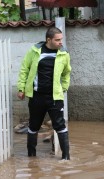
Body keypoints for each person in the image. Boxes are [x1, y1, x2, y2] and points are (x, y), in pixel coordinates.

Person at [17, 27, 72, 160]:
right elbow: (24, 69)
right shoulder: (35, 51)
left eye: (61, 39)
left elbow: (66, 73)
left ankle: (66, 157)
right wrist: (21, 88)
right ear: (49, 40)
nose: (60, 42)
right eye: (57, 40)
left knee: (60, 125)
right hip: (37, 96)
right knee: (33, 125)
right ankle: (31, 157)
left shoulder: (64, 54)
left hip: (54, 97)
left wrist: (63, 88)